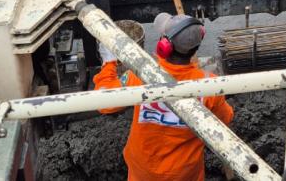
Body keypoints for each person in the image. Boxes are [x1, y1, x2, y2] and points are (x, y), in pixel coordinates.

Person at [94, 13, 234, 181]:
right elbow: (225, 118)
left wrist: (108, 63)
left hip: (143, 170)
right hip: (184, 173)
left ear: (163, 45)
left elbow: (105, 104)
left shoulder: (141, 75)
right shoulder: (209, 85)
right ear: (196, 47)